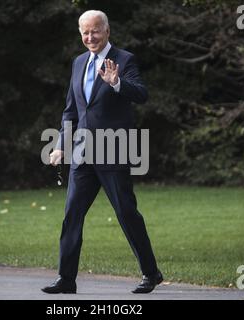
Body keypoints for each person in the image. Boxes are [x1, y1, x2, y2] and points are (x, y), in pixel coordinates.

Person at [42, 10, 162, 294]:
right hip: (82, 154)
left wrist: (116, 83)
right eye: (84, 32)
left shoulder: (124, 59)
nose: (89, 37)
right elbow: (71, 110)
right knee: (72, 214)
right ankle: (66, 279)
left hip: (113, 150)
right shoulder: (78, 62)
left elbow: (141, 94)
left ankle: (151, 272)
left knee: (126, 212)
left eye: (95, 31)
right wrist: (61, 145)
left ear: (107, 31)